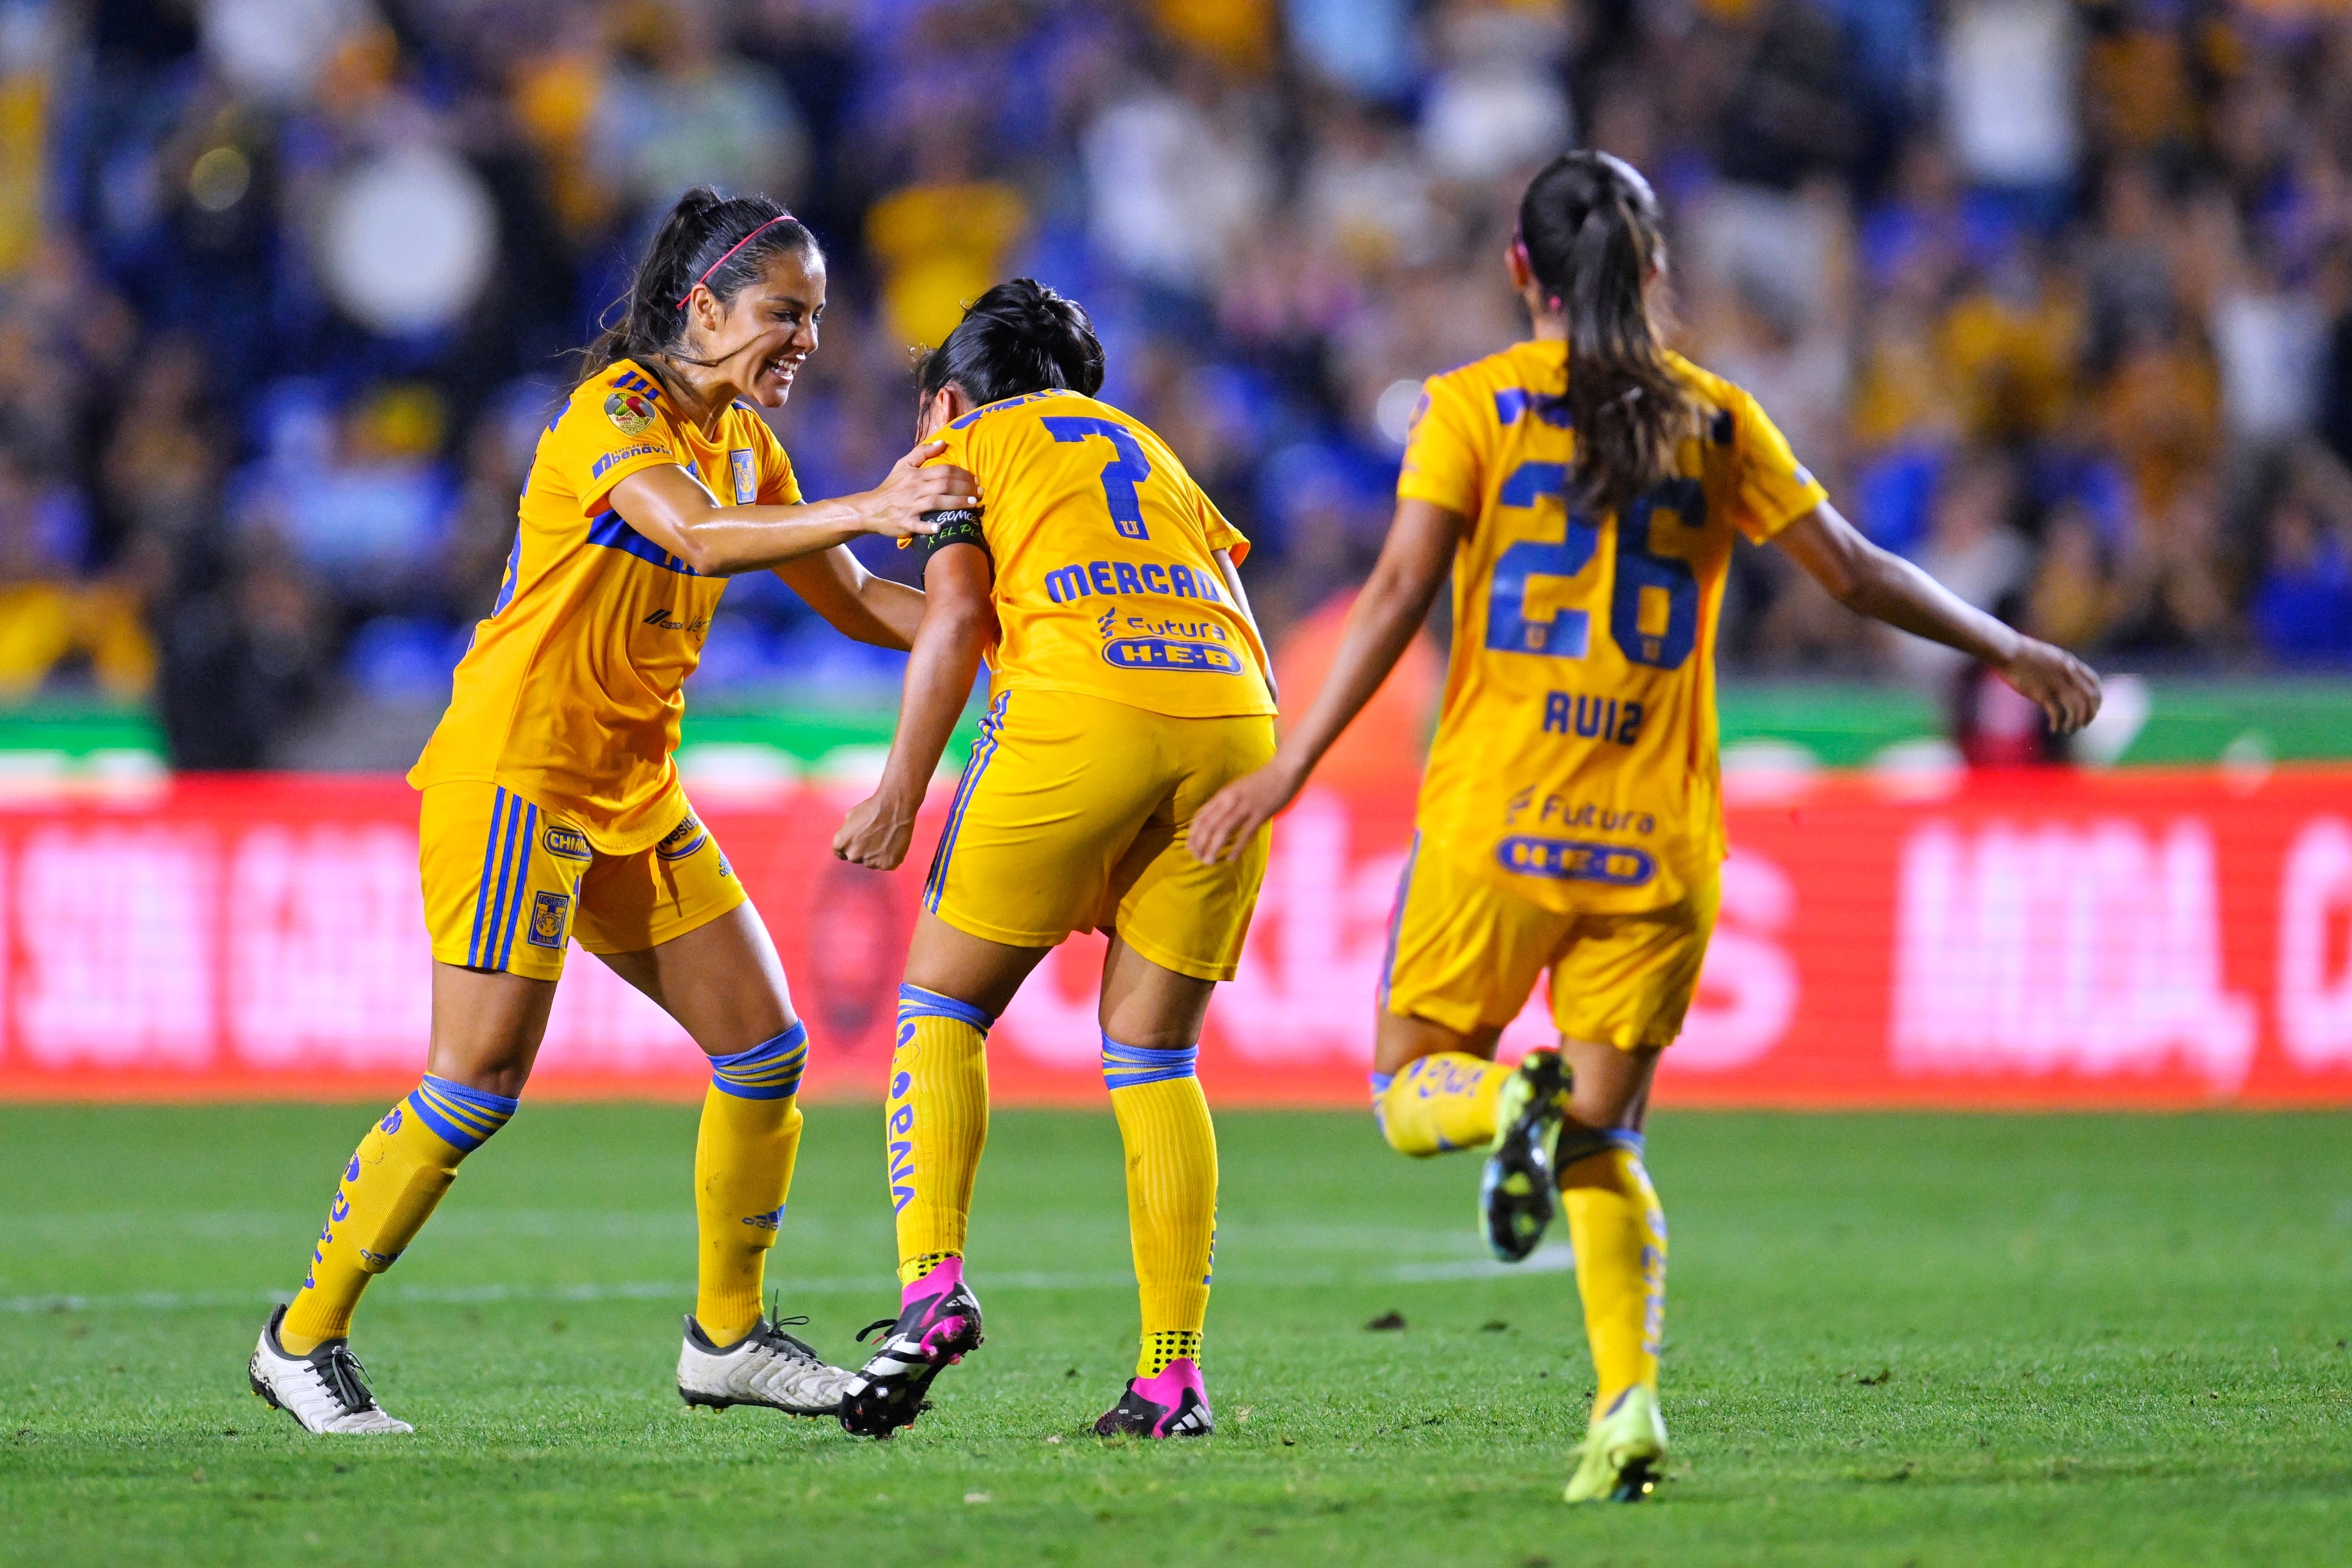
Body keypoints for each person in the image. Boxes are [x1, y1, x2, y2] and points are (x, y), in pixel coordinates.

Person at [1188, 152, 2102, 1502]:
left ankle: (1505, 1096)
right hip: (1658, 842)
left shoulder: (1474, 407)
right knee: (1605, 1143)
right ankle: (1625, 1410)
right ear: (1655, 271)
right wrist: (2005, 641)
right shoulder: (1713, 418)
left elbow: (1393, 590)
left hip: (1501, 816)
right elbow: (1851, 571)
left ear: (1520, 275)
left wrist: (1292, 759)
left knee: (1406, 1085)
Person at [246, 188, 982, 1435]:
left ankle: (727, 1336)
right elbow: (692, 540)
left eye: (813, 318)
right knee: (476, 1080)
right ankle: (300, 1338)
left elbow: (853, 596)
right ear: (701, 308)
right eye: (780, 314)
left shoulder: (745, 441)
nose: (803, 340)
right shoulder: (614, 419)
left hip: (629, 788)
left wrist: (1020, 644)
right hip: (518, 780)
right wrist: (870, 501)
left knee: (763, 1047)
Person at [828, 279, 1278, 1440]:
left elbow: (955, 615)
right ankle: (1170, 1378)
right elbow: (1229, 604)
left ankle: (931, 1289)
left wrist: (896, 794)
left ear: (944, 397)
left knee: (939, 1005)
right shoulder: (1147, 448)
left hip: (1079, 707)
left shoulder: (966, 444)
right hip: (1234, 721)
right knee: (1155, 1058)